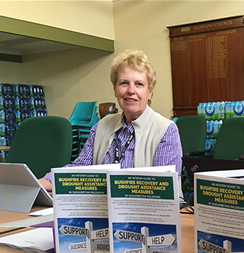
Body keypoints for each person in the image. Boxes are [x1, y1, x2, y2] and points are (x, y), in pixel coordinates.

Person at [39, 49, 182, 191]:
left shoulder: (166, 130)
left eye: (139, 84)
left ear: (150, 92)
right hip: (101, 210)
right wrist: (37, 184)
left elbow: (166, 191)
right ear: (115, 89)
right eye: (124, 83)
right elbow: (78, 170)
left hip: (144, 212)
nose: (131, 90)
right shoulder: (100, 127)